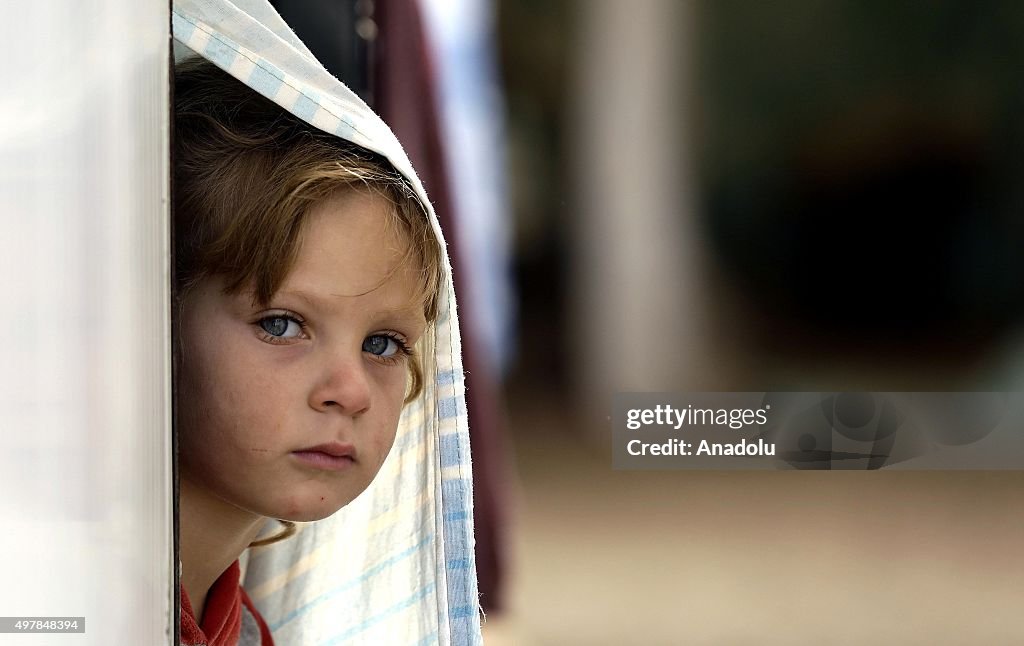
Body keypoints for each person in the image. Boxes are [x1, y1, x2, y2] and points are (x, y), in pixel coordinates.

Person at [173, 57, 443, 645]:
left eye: (382, 343)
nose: (349, 391)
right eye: (281, 325)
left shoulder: (236, 628)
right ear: (159, 323)